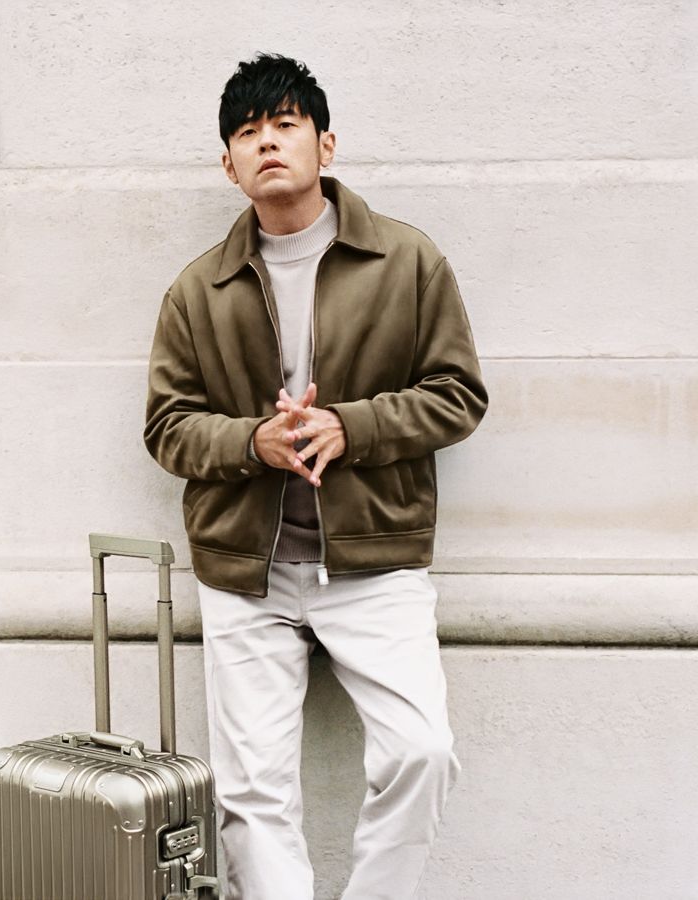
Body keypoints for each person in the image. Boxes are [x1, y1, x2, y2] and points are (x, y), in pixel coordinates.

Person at [143, 52, 490, 900]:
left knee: (422, 752)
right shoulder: (198, 289)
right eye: (247, 133)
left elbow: (458, 395)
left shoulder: (406, 261)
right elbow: (167, 426)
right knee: (252, 795)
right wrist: (252, 442)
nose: (267, 142)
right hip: (245, 570)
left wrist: (352, 426)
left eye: (285, 124)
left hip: (374, 561)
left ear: (325, 144)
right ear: (228, 165)